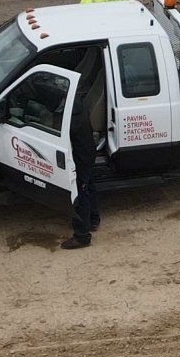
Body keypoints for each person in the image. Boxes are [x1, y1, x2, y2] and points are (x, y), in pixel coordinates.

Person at [60, 61, 101, 250]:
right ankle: (93, 219)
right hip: (89, 151)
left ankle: (82, 235)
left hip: (81, 157)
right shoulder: (77, 104)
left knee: (80, 192)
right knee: (89, 185)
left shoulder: (71, 116)